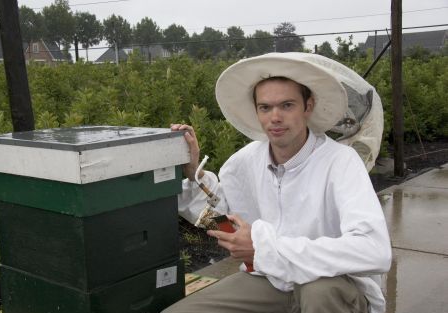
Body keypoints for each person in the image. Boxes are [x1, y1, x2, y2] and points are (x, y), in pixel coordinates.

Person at [166, 52, 391, 313]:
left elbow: (374, 250)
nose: (275, 117)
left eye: (287, 105)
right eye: (265, 107)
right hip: (270, 280)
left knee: (319, 293)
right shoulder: (245, 162)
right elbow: (221, 223)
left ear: (308, 106)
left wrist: (266, 249)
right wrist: (194, 172)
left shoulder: (340, 162)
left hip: (333, 283)